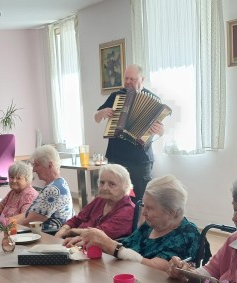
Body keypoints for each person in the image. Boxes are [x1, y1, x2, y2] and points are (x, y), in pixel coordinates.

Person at [65, 175, 202, 272]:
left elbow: (156, 269)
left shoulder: (187, 234)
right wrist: (95, 241)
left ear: (171, 212)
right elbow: (126, 247)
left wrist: (109, 244)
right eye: (143, 205)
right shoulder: (151, 225)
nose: (143, 213)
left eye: (150, 208)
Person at [94, 65, 165, 201]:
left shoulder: (154, 100)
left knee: (141, 199)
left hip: (141, 159)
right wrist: (102, 113)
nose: (128, 82)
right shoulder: (116, 96)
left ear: (142, 79)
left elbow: (161, 130)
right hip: (117, 156)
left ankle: (138, 223)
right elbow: (96, 118)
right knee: (114, 197)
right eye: (126, 78)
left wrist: (160, 131)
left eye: (132, 79)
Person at [55, 163, 134, 240]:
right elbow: (78, 218)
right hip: (75, 242)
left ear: (126, 186)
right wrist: (63, 230)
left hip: (95, 249)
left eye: (112, 184)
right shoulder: (100, 200)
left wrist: (70, 232)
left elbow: (99, 234)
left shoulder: (127, 210)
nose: (104, 188)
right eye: (102, 183)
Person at [14, 145, 73, 232]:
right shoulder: (60, 182)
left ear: (50, 165)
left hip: (46, 238)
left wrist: (7, 228)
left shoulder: (53, 190)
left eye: (36, 165)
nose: (34, 170)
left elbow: (29, 222)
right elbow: (30, 214)